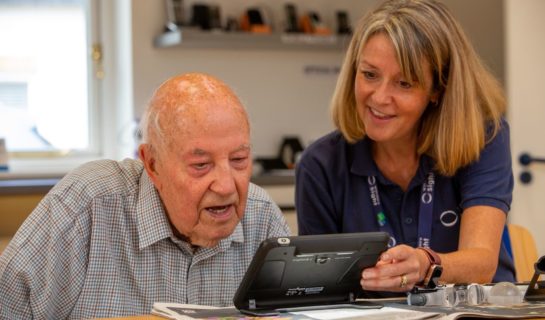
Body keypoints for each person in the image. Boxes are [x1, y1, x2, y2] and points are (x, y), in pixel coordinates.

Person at [0, 73, 291, 319]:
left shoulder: (261, 217)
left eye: (239, 159)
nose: (227, 186)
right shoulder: (87, 206)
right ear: (152, 165)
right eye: (201, 165)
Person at [295, 0, 514, 294]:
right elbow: (318, 288)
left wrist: (424, 265)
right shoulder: (319, 165)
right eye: (370, 75)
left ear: (438, 89)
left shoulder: (483, 138)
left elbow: (482, 263)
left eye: (404, 83)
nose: (380, 98)